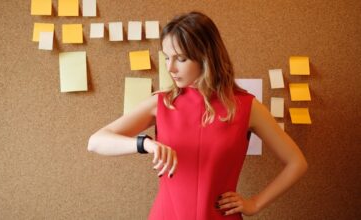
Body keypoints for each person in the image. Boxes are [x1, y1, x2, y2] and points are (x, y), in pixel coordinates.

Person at [87, 11, 308, 220]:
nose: (170, 68)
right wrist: (146, 144)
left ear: (206, 57)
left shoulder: (246, 107)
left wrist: (254, 204)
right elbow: (96, 141)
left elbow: (297, 162)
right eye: (167, 57)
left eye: (180, 59)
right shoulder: (162, 103)